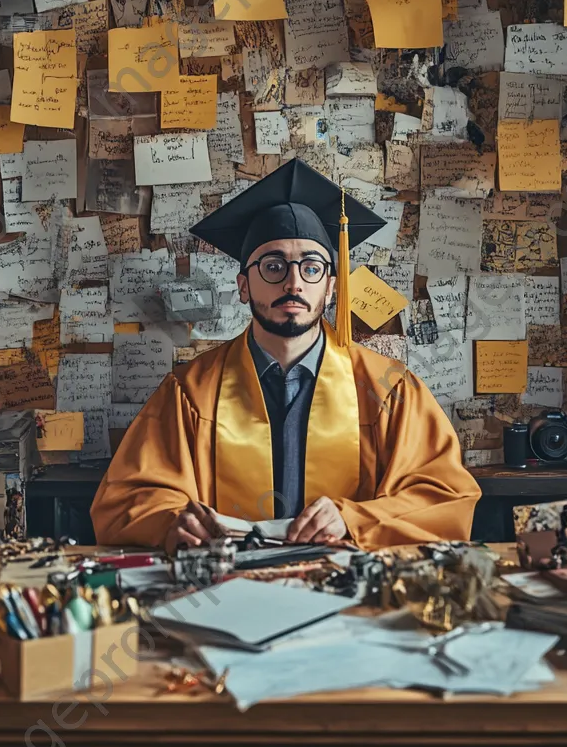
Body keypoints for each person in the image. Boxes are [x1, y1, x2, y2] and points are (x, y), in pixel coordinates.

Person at [91, 159, 481, 553]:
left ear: (330, 287)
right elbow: (127, 500)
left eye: (311, 268)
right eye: (273, 266)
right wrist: (172, 523)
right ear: (243, 285)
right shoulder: (190, 392)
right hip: (229, 592)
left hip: (347, 590)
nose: (294, 282)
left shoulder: (390, 389)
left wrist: (352, 520)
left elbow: (446, 499)